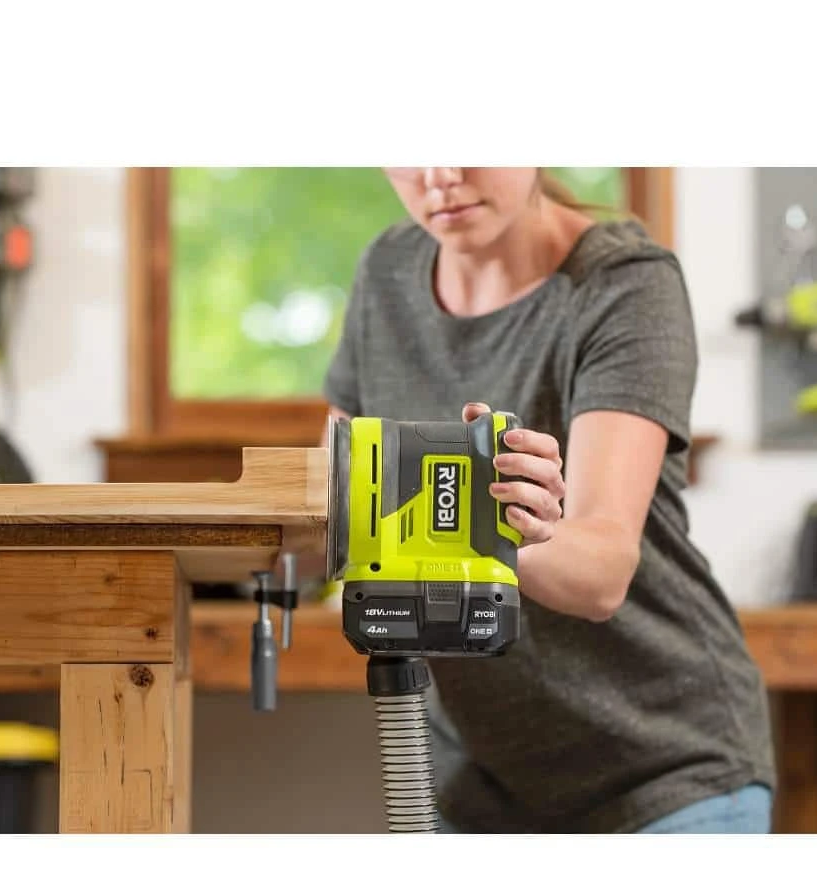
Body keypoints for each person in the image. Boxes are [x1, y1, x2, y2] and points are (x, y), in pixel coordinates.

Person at [320, 167, 776, 834]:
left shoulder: (623, 282)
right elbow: (336, 496)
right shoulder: (387, 270)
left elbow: (602, 572)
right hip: (474, 779)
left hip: (663, 773)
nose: (440, 174)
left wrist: (485, 524)